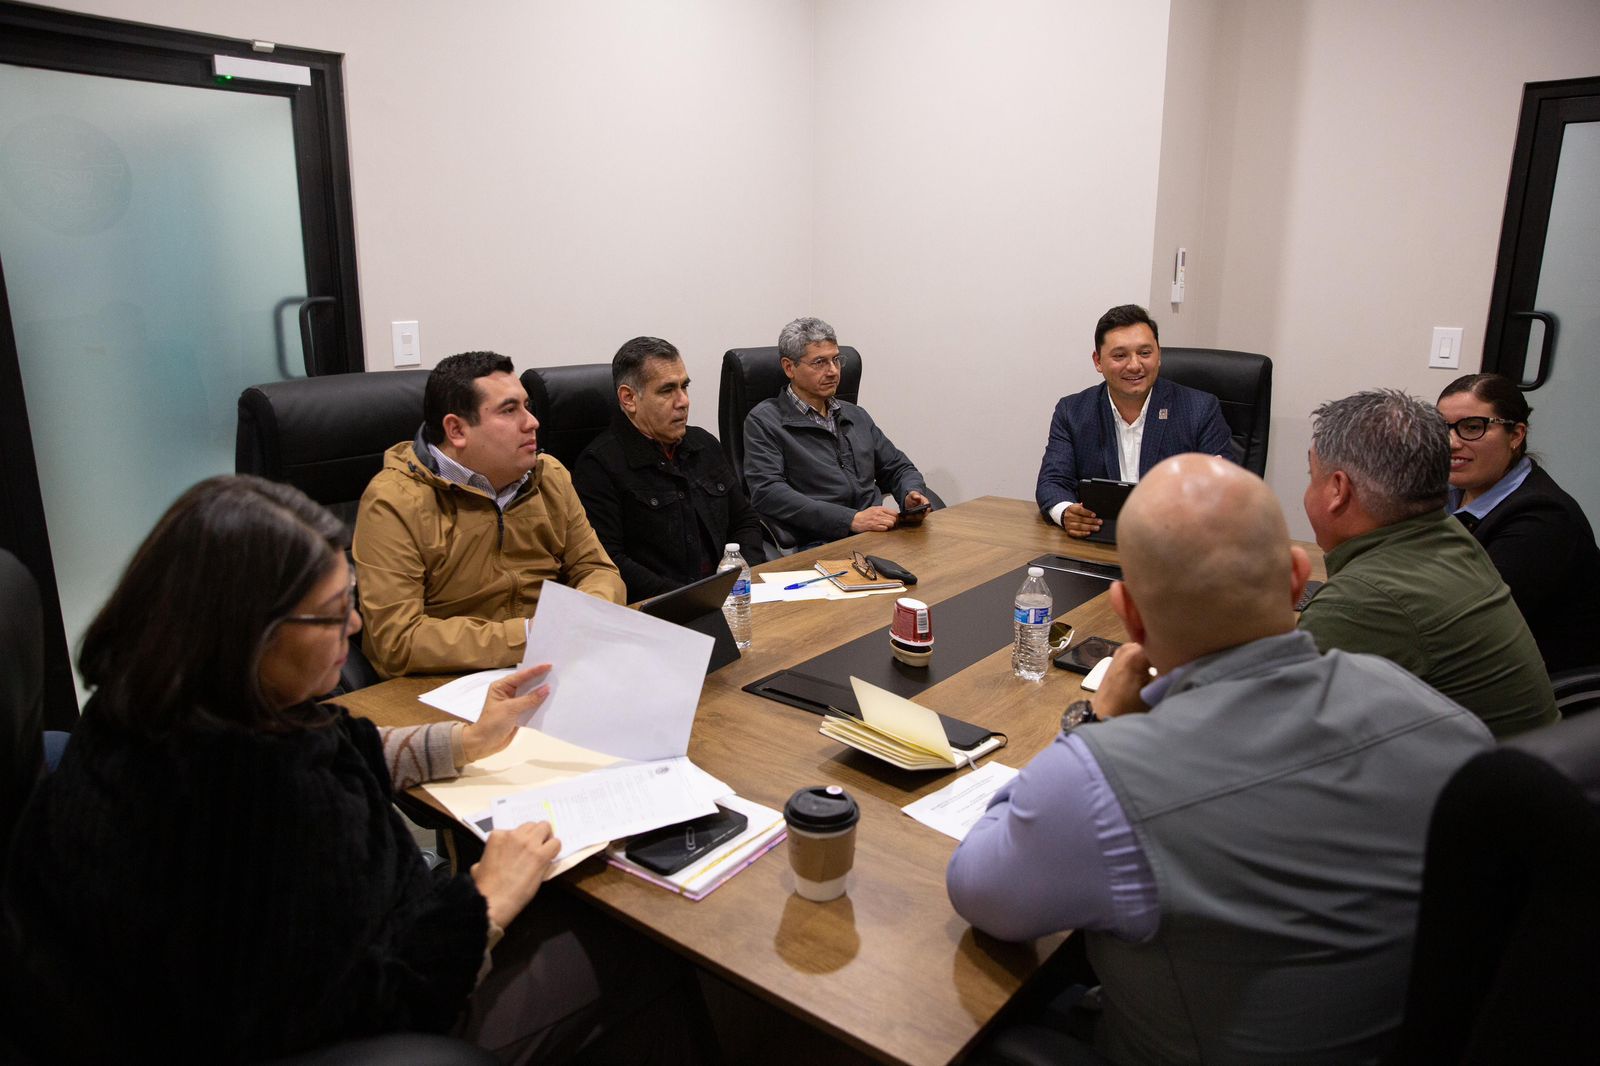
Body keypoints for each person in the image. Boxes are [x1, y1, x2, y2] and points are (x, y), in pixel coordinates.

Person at [0, 476, 697, 1063]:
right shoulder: (252, 804)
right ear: (251, 635)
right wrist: (485, 899)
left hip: (362, 940)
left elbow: (342, 744)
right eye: (334, 615)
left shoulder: (168, 705)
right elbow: (375, 1003)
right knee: (646, 950)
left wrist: (467, 741)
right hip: (389, 1021)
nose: (356, 628)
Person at [948, 454, 1493, 1066]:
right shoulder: (1446, 723)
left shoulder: (1103, 781)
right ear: (1297, 578)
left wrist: (1094, 723)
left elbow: (979, 890)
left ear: (1128, 614)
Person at [1298, 389, 1557, 737]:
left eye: (1312, 475)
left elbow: (1275, 729)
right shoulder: (1449, 535)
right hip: (1526, 760)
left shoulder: (1363, 601)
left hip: (1479, 772)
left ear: (1337, 489)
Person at [353, 351, 624, 677]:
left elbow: (597, 570)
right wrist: (529, 635)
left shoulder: (548, 475)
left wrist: (585, 614)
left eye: (527, 406)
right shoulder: (394, 501)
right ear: (456, 430)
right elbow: (397, 641)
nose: (532, 422)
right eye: (509, 410)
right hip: (449, 682)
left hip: (553, 662)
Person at [572, 336, 765, 601]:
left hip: (733, 597)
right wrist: (691, 600)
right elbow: (609, 561)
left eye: (684, 387)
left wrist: (741, 576)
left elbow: (744, 521)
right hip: (659, 608)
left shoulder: (704, 444)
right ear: (629, 398)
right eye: (667, 390)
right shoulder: (599, 465)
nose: (683, 401)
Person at [1436, 372, 1600, 674]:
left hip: (1533, 683)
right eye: (1440, 428)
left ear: (1516, 435)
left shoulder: (1544, 517)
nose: (1451, 442)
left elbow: (1468, 621)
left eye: (1472, 427)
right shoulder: (1448, 492)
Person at [1035, 304, 1234, 537]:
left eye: (1145, 353)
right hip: (1099, 540)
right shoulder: (1073, 411)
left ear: (1158, 355)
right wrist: (1066, 512)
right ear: (1098, 361)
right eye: (1120, 355)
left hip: (1174, 543)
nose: (1134, 365)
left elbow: (1225, 491)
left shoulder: (1199, 409)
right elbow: (1052, 482)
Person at [743, 316, 931, 549]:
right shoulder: (765, 421)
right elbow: (768, 492)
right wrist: (850, 519)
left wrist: (910, 494)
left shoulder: (855, 415)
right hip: (821, 542)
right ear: (789, 367)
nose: (833, 371)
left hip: (877, 535)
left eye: (836, 360)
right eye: (819, 362)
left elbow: (898, 467)